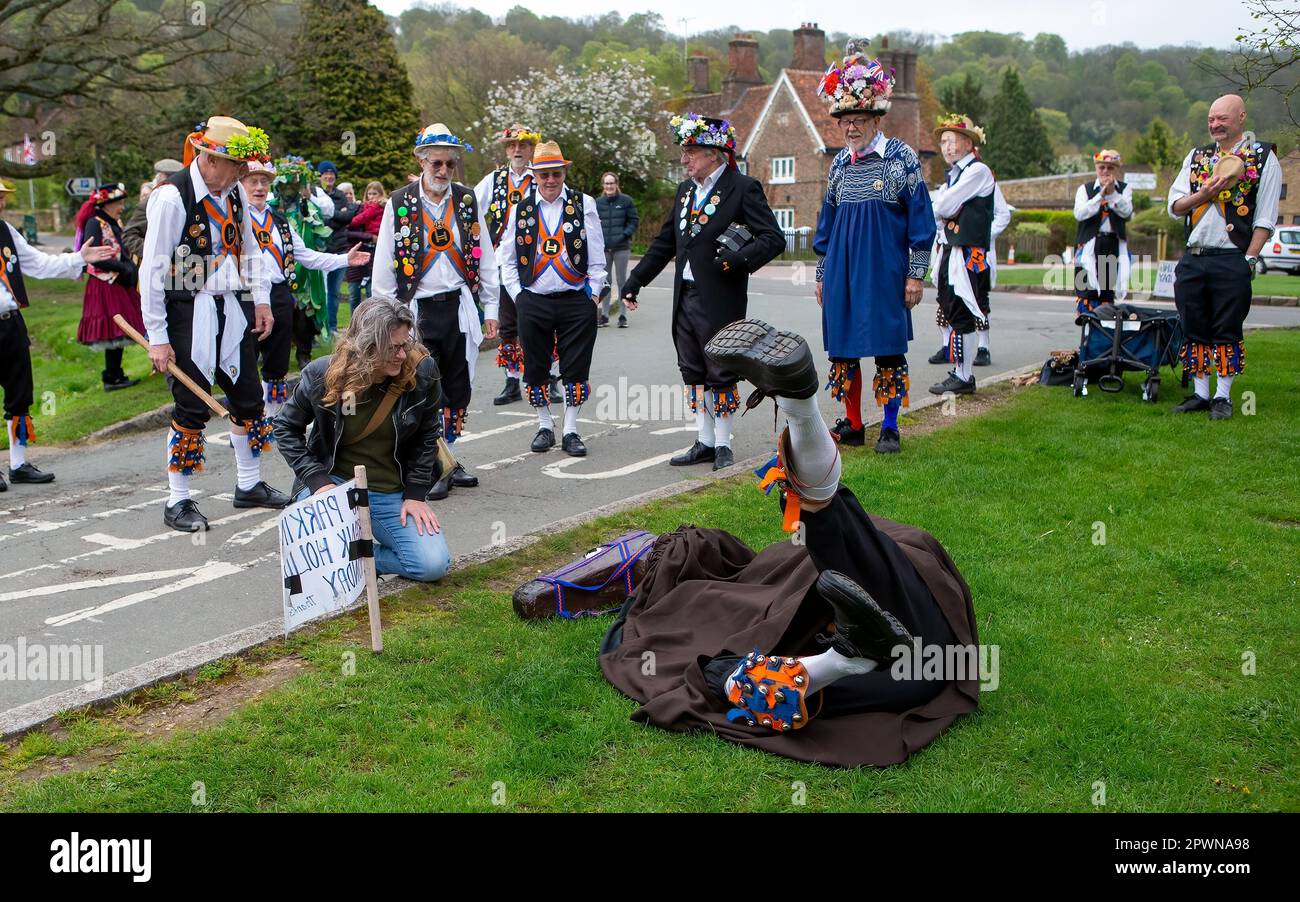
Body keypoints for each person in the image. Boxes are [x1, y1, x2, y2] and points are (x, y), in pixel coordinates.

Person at [600, 319, 979, 766]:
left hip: (876, 574)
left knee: (909, 656)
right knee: (920, 664)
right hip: (896, 597)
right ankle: (843, 659)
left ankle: (841, 659)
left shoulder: (763, 574)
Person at [138, 116, 290, 532]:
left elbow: (251, 249)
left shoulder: (234, 192)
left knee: (248, 396)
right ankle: (178, 501)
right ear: (210, 159)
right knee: (192, 404)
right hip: (188, 311)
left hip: (231, 307)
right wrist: (157, 337)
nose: (243, 175)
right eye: (236, 166)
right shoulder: (173, 198)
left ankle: (249, 484)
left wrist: (260, 300)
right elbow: (152, 271)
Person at [620, 114, 784, 471]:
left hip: (720, 297)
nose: (684, 159)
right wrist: (636, 280)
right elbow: (665, 243)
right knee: (692, 369)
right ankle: (704, 440)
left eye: (690, 151)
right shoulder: (686, 192)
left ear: (714, 152)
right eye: (684, 151)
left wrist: (739, 260)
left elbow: (773, 238)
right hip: (686, 296)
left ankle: (724, 444)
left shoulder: (743, 187)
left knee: (720, 369)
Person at [812, 40, 935, 454]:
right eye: (845, 120)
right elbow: (826, 225)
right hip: (843, 271)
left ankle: (890, 425)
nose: (851, 127)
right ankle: (852, 423)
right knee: (844, 351)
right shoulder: (838, 166)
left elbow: (922, 223)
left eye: (859, 118)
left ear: (876, 118)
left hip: (886, 272)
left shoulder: (902, 158)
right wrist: (821, 274)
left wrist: (915, 275)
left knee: (887, 351)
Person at [274, 297, 451, 583]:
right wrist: (317, 480)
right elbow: (284, 427)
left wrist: (416, 494)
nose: (403, 355)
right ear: (366, 346)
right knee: (307, 555)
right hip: (333, 486)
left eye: (405, 344)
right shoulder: (323, 374)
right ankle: (338, 554)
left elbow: (427, 433)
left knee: (432, 564)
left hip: (389, 491)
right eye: (393, 348)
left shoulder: (423, 371)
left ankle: (355, 557)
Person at [371, 122, 498, 500]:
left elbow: (485, 254)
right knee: (422, 387)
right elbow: (384, 262)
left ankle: (450, 458)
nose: (443, 171)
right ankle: (429, 464)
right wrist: (387, 317)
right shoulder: (399, 202)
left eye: (450, 164)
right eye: (436, 164)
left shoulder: (466, 200)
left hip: (457, 306)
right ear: (421, 161)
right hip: (415, 311)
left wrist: (490, 306)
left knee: (457, 388)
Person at [1166, 95, 1282, 420]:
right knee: (1193, 324)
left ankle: (1222, 396)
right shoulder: (1197, 156)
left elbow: (1265, 218)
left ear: (1241, 117)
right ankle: (1200, 394)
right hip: (1194, 256)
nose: (1215, 125)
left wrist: (1249, 258)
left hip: (1232, 258)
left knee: (1227, 327)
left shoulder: (1262, 158)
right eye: (1211, 119)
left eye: (1222, 119)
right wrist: (1203, 195)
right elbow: (1174, 207)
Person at [0, 179, 114, 491]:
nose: (0, 203)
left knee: (19, 395)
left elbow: (39, 264)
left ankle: (19, 463)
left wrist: (80, 258)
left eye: (2, 198)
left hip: (10, 323)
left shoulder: (6, 232)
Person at [500, 140, 606, 457]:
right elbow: (506, 258)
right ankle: (544, 425)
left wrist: (594, 295)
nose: (550, 180)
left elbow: (597, 255)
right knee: (535, 366)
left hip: (576, 299)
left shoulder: (583, 203)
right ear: (534, 175)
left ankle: (571, 429)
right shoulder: (520, 208)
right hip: (534, 299)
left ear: (563, 173)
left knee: (577, 367)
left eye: (556, 174)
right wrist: (519, 296)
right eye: (544, 174)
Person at [242, 159, 369, 417]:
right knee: (244, 362)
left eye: (264, 182)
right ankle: (245, 421)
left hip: (278, 295)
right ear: (240, 184)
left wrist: (344, 259)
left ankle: (273, 416)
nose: (259, 188)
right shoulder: (233, 219)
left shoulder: (279, 220)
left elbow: (307, 256)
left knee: (276, 363)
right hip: (244, 296)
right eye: (252, 182)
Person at [928, 113, 994, 398]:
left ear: (969, 143)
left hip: (966, 251)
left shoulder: (977, 171)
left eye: (954, 141)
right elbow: (940, 208)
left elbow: (942, 207)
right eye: (944, 141)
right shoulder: (954, 176)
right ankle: (961, 373)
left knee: (962, 311)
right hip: (951, 249)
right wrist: (944, 206)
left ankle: (964, 375)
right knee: (952, 308)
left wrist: (944, 206)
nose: (948, 147)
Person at [474, 123, 539, 406]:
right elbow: (469, 203)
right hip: (504, 261)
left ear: (531, 148)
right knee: (509, 324)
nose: (516, 150)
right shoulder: (495, 179)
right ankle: (512, 380)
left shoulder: (541, 177)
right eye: (512, 145)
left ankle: (545, 376)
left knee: (540, 321)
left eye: (522, 145)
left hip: (538, 261)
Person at [74, 182, 146, 391]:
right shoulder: (94, 223)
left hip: (118, 281)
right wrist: (123, 268)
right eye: (119, 203)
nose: (122, 207)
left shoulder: (113, 221)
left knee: (120, 327)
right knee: (114, 326)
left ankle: (116, 374)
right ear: (107, 204)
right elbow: (94, 258)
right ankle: (111, 377)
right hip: (105, 282)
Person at [268, 156, 331, 369]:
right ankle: (276, 354)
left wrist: (308, 219)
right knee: (281, 314)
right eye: (285, 185)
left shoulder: (309, 209)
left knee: (305, 313)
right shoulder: (269, 209)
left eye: (294, 185)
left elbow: (322, 238)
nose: (289, 189)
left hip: (305, 271)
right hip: (278, 271)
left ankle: (303, 353)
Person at [1072, 149, 1134, 317]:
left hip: (1111, 244)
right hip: (1088, 245)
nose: (1106, 171)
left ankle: (1104, 336)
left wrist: (1113, 194)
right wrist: (1100, 195)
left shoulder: (1125, 190)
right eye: (1102, 167)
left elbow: (1127, 213)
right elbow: (1080, 213)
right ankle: (1086, 335)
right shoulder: (1084, 189)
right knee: (1086, 292)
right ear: (1096, 169)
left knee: (1106, 293)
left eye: (1110, 168)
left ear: (1116, 170)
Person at [595, 171, 639, 328]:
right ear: (603, 185)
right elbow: (592, 223)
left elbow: (633, 221)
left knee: (621, 281)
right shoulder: (597, 203)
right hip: (604, 249)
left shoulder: (626, 201)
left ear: (616, 184)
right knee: (606, 282)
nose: (609, 186)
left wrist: (624, 234)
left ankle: (622, 316)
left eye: (611, 183)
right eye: (606, 183)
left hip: (621, 248)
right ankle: (605, 316)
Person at [318, 160, 356, 335]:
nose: (329, 176)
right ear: (320, 176)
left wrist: (330, 216)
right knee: (319, 292)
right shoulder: (315, 194)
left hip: (340, 249)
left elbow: (348, 216)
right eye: (325, 173)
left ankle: (332, 327)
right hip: (320, 251)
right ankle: (318, 328)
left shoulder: (341, 195)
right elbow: (318, 219)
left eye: (332, 173)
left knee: (333, 292)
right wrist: (336, 216)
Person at [122, 158, 184, 263]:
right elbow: (128, 235)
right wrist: (154, 253)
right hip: (155, 268)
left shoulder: (187, 201)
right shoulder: (148, 203)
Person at [344, 181, 384, 312]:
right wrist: (369, 237)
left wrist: (348, 222)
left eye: (375, 193)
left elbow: (358, 220)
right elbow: (349, 230)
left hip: (374, 248)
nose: (372, 196)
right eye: (369, 193)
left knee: (370, 289)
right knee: (354, 291)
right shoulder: (361, 207)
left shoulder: (376, 207)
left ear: (381, 194)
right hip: (362, 248)